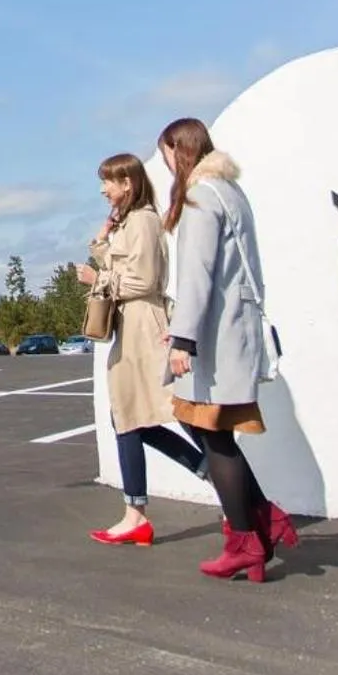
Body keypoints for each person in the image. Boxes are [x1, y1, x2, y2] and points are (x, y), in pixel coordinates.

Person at [158, 116, 298, 582]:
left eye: (166, 153)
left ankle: (246, 537)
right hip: (232, 327)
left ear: (180, 151)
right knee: (213, 429)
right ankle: (260, 523)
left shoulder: (199, 196)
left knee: (212, 431)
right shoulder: (230, 190)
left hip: (216, 334)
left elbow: (197, 275)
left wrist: (182, 338)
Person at [78, 151, 208, 546]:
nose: (103, 189)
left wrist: (97, 277)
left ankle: (231, 486)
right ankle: (137, 512)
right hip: (129, 328)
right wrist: (102, 240)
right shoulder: (131, 223)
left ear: (127, 183)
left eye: (108, 181)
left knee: (173, 412)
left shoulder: (146, 221)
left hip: (145, 328)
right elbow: (127, 267)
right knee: (130, 419)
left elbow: (144, 281)